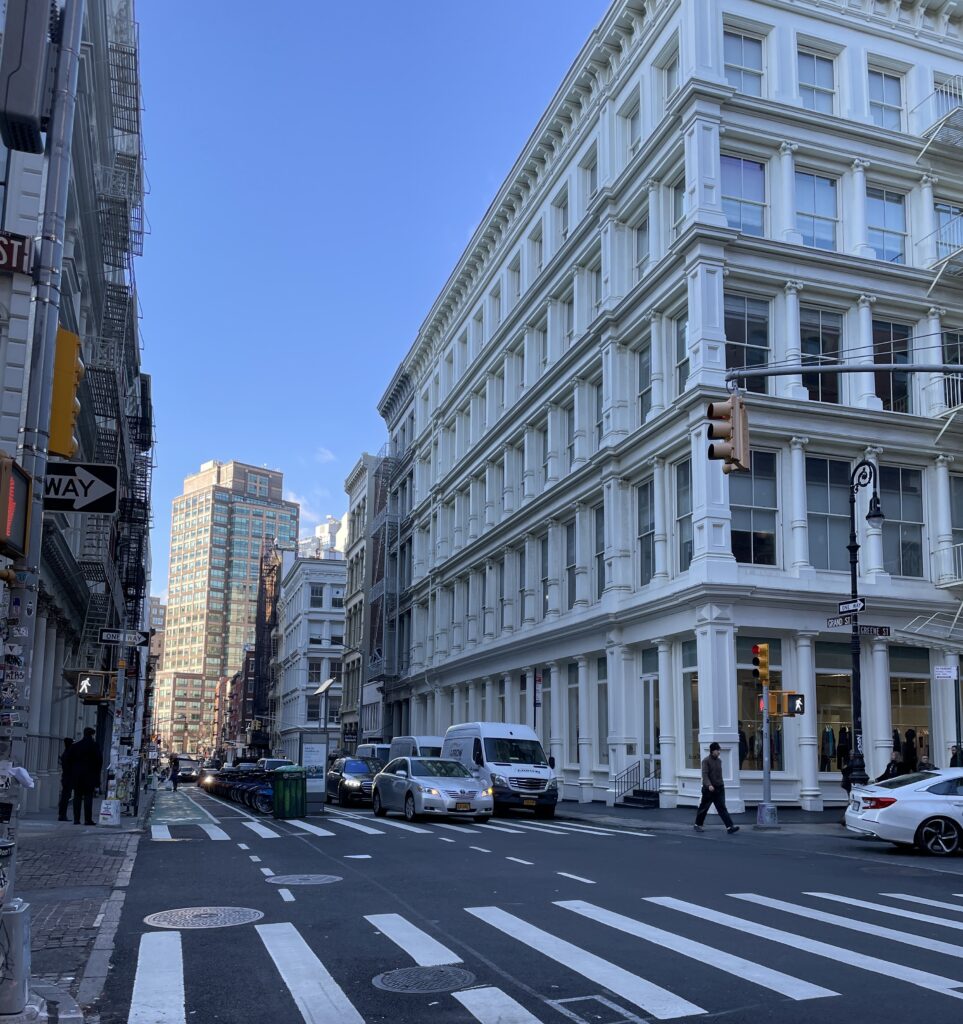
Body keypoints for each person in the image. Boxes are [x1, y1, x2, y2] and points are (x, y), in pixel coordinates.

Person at [693, 742, 739, 834]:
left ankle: (730, 827)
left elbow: (719, 775)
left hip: (719, 788)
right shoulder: (706, 761)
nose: (719, 752)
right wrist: (709, 785)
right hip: (709, 789)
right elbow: (705, 774)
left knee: (722, 808)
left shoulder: (719, 761)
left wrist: (721, 784)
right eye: (717, 750)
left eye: (719, 750)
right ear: (712, 751)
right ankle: (697, 825)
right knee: (704, 807)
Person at [62, 727, 102, 826]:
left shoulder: (76, 746)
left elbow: (67, 760)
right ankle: (88, 820)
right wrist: (97, 776)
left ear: (84, 734)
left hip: (77, 776)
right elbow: (99, 762)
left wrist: (72, 771)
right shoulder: (95, 746)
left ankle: (76, 819)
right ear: (92, 735)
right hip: (90, 776)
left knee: (77, 796)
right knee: (88, 797)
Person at [57, 738, 74, 821]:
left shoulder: (65, 753)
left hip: (65, 777)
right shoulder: (69, 754)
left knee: (65, 796)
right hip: (68, 777)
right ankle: (62, 815)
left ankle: (62, 814)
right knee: (66, 796)